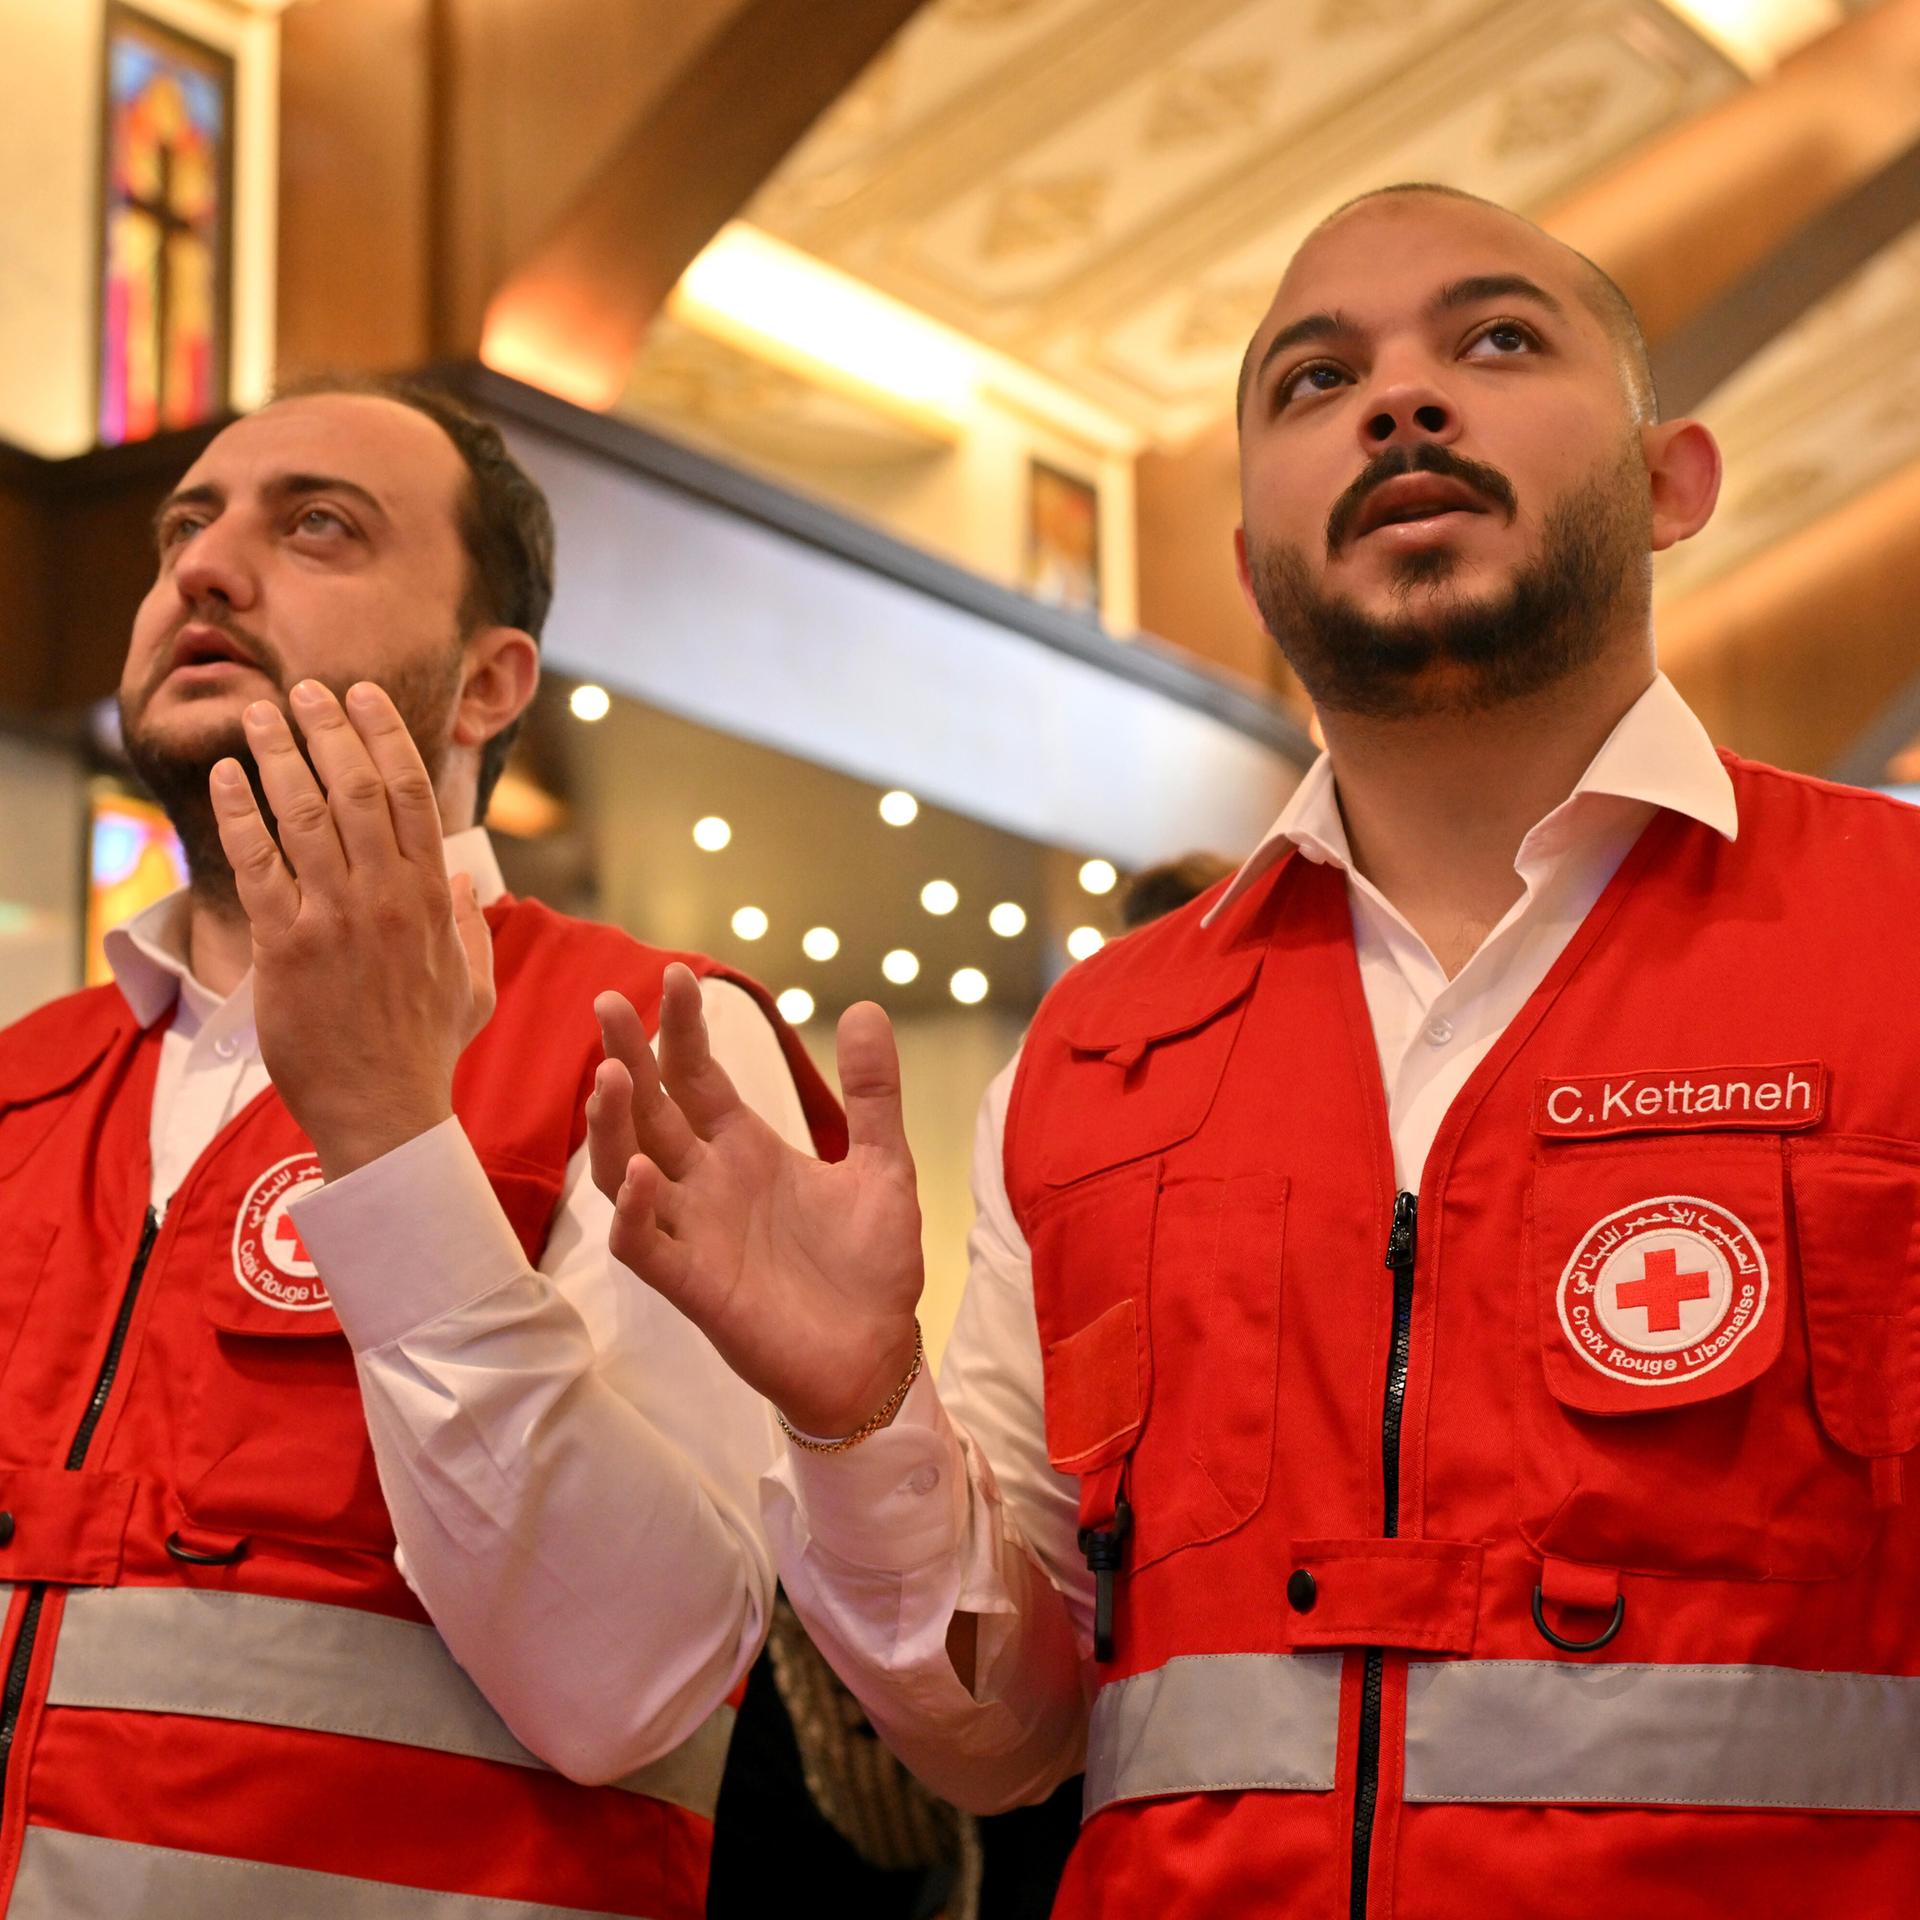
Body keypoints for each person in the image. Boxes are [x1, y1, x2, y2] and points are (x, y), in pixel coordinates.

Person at [585, 183, 1920, 1917]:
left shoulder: (1888, 932)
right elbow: (1004, 1745)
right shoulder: (1097, 1050)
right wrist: (857, 1420)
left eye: (1496, 340)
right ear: (1248, 563)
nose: (1400, 401)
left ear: (1676, 484)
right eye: (1313, 380)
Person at [0, 378, 841, 1917]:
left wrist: (394, 1140)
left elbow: (635, 1684)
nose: (204, 565)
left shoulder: (656, 1044)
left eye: (316, 525)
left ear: (483, 681)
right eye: (185, 526)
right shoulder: (24, 1084)